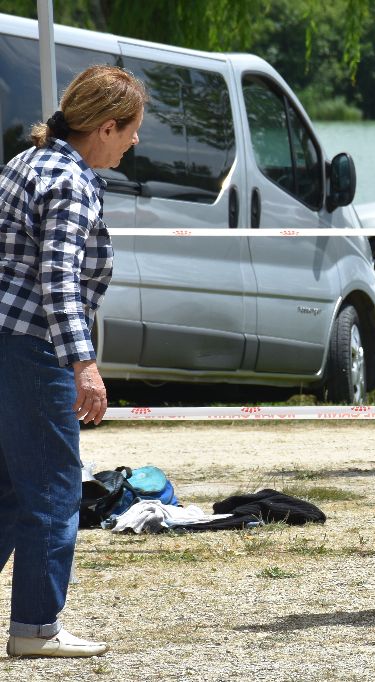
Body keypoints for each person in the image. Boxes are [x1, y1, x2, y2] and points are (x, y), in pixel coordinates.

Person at [0, 65, 146, 658]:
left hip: (4, 340)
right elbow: (57, 280)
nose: (135, 141)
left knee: (9, 488)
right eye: (132, 130)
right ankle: (36, 627)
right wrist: (83, 363)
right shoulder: (70, 181)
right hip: (37, 349)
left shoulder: (22, 163)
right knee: (55, 490)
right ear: (106, 127)